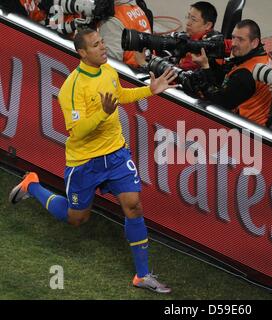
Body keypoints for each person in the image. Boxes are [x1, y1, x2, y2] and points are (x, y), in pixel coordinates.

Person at [8, 28, 177, 294]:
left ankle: (142, 275)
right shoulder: (71, 88)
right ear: (82, 52)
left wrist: (149, 91)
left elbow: (119, 95)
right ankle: (32, 185)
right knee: (77, 219)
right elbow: (77, 131)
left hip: (116, 153)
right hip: (85, 162)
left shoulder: (108, 71)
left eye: (101, 42)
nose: (103, 48)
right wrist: (103, 113)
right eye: (96, 45)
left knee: (133, 206)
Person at [192, 19, 272, 126]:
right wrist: (210, 62)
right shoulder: (263, 57)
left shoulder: (245, 75)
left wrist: (205, 69)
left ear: (254, 43)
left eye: (240, 39)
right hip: (261, 121)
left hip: (244, 131)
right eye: (233, 37)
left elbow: (219, 102)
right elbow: (226, 77)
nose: (233, 43)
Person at [99, 0, 153, 68]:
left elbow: (109, 66)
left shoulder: (112, 22)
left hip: (129, 74)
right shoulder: (136, 7)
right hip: (147, 67)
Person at [179, 1, 219, 71]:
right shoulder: (191, 37)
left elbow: (183, 68)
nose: (188, 23)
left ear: (208, 25)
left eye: (193, 19)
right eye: (188, 17)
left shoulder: (206, 47)